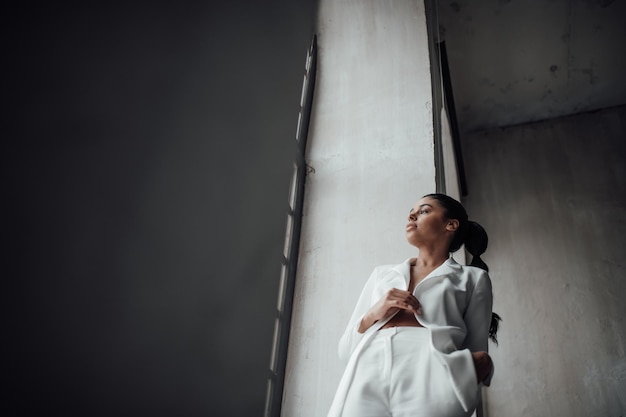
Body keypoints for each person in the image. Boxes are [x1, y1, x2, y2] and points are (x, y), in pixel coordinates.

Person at [327, 193, 500, 417]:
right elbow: (345, 351)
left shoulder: (473, 279)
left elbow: (476, 352)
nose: (411, 215)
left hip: (431, 369)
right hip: (368, 367)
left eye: (424, 211)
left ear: (451, 224)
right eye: (411, 212)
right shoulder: (382, 274)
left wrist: (474, 374)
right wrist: (374, 313)